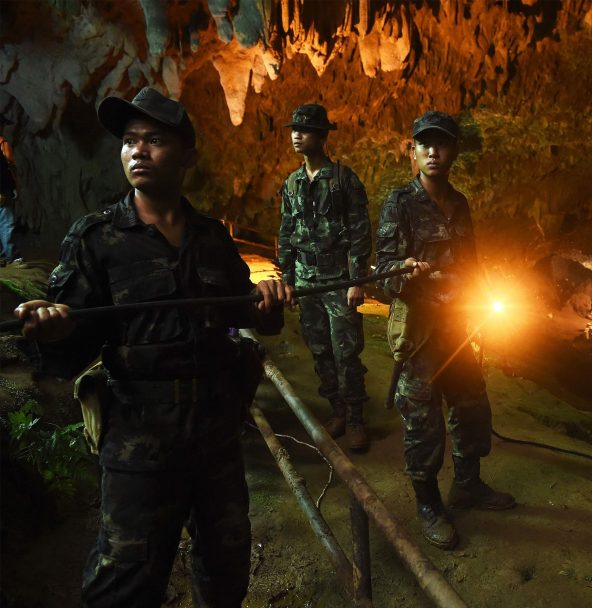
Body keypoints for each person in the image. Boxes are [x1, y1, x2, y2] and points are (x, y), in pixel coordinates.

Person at [14, 87, 285, 607]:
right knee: (126, 578)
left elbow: (244, 314)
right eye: (129, 141)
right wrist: (53, 329)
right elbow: (65, 355)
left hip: (216, 436)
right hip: (139, 437)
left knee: (225, 565)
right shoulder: (95, 239)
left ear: (187, 157)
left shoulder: (211, 238)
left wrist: (265, 303)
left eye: (155, 140)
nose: (137, 150)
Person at [376, 111, 515, 550]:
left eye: (441, 144)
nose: (433, 151)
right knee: (422, 421)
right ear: (413, 151)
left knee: (472, 406)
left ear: (453, 151)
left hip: (458, 329)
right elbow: (383, 273)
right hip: (421, 334)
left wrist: (481, 304)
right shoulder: (399, 204)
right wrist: (406, 272)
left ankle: (467, 485)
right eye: (424, 144)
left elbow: (471, 264)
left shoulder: (460, 204)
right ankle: (429, 503)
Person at [278, 103, 372, 451]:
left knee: (346, 351)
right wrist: (287, 278)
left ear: (321, 136)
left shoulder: (344, 179)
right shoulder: (292, 182)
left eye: (304, 130)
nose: (296, 136)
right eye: (293, 130)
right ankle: (336, 411)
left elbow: (361, 231)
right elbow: (285, 231)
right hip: (305, 279)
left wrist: (357, 280)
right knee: (319, 350)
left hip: (337, 279)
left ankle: (355, 420)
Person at [0, 115, 19, 262]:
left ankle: (3, 255)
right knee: (6, 222)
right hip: (2, 190)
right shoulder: (2, 144)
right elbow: (9, 166)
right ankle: (10, 256)